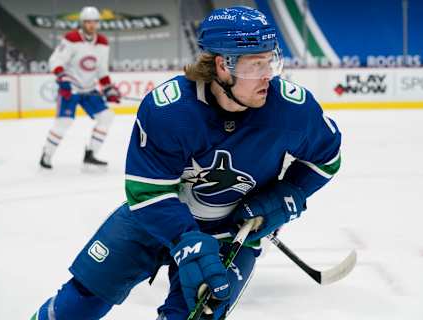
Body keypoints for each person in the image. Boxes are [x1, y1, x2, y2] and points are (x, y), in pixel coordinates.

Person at [31, 6, 341, 320]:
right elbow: (147, 192)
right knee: (77, 304)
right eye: (255, 65)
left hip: (230, 232)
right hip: (155, 221)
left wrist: (287, 193)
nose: (267, 76)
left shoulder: (292, 110)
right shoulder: (169, 111)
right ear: (222, 65)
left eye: (270, 60)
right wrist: (185, 239)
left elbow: (327, 158)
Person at [39, 6, 120, 169]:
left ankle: (90, 154)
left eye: (94, 22)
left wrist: (108, 88)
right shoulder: (71, 38)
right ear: (82, 23)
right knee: (64, 122)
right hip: (72, 88)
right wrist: (63, 80)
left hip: (89, 89)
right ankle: (46, 155)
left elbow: (102, 70)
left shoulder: (103, 43)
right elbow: (55, 61)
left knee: (106, 117)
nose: (91, 25)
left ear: (98, 23)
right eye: (88, 22)